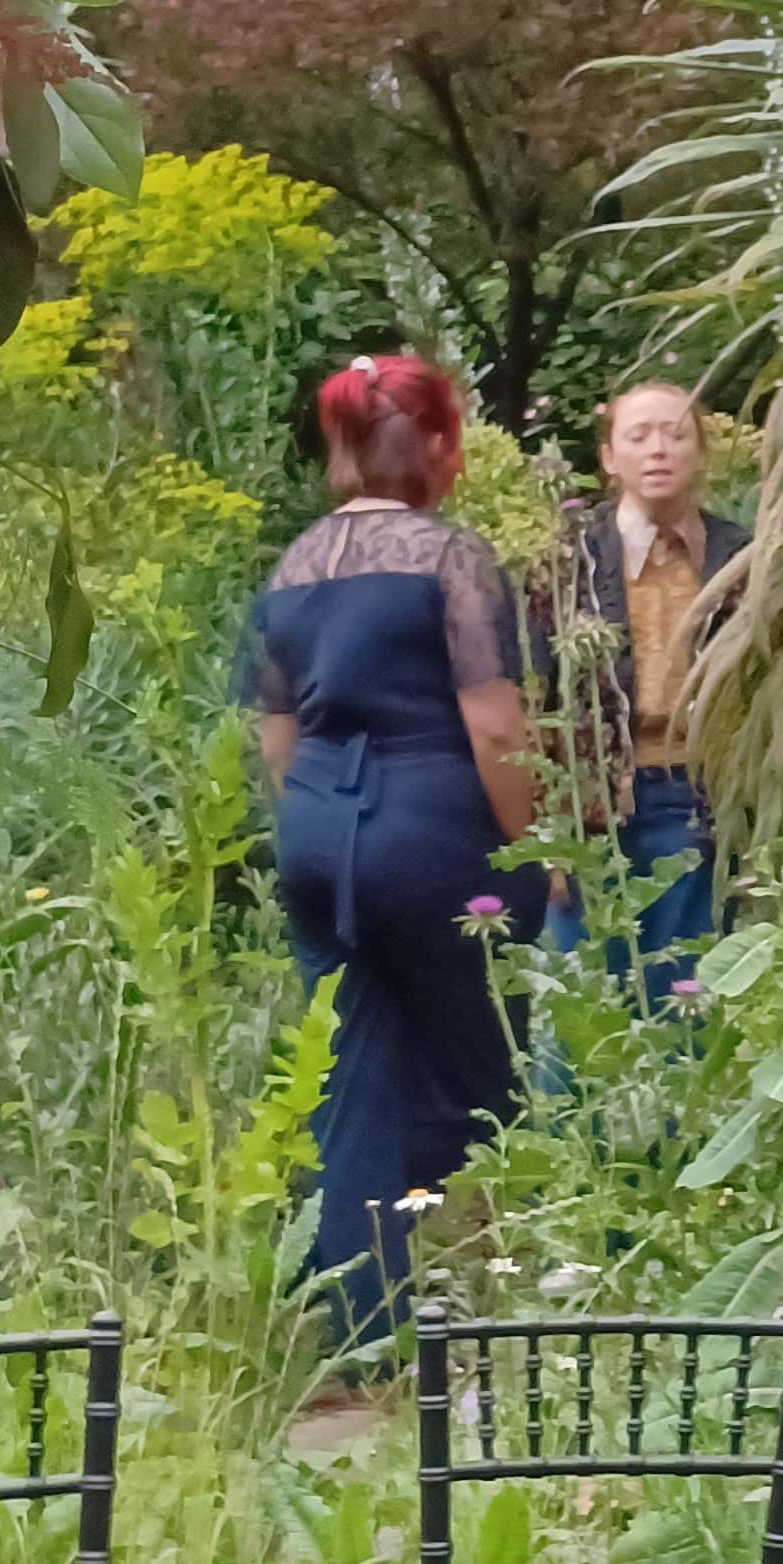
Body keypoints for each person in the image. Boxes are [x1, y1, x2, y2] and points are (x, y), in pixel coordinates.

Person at [248, 351, 543, 1326]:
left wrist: (327, 834)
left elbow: (278, 737)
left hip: (319, 833)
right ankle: (498, 1271)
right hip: (432, 828)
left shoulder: (291, 567)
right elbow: (495, 726)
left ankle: (357, 1320)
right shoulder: (449, 557)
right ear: (440, 442)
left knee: (352, 1069)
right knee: (487, 1062)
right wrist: (531, 854)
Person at [567, 378, 749, 996]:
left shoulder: (739, 557)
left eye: (675, 434)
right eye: (638, 437)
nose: (658, 450)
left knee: (688, 996)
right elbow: (532, 691)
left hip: (695, 795)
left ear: (701, 450)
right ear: (610, 459)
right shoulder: (572, 559)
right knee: (585, 1001)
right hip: (589, 803)